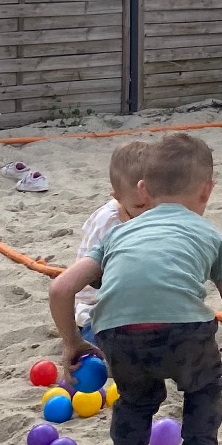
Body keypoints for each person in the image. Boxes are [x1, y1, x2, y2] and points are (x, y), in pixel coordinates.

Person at [48, 132, 222, 445]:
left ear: (144, 189)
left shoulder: (118, 234)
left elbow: (60, 288)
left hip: (117, 332)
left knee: (134, 400)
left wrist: (71, 341)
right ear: (207, 190)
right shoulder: (210, 234)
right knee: (203, 387)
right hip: (184, 332)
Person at [71, 139, 154, 342]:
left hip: (141, 304)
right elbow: (98, 281)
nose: (149, 212)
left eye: (156, 202)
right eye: (140, 205)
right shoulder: (108, 224)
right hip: (99, 308)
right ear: (117, 197)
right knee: (104, 340)